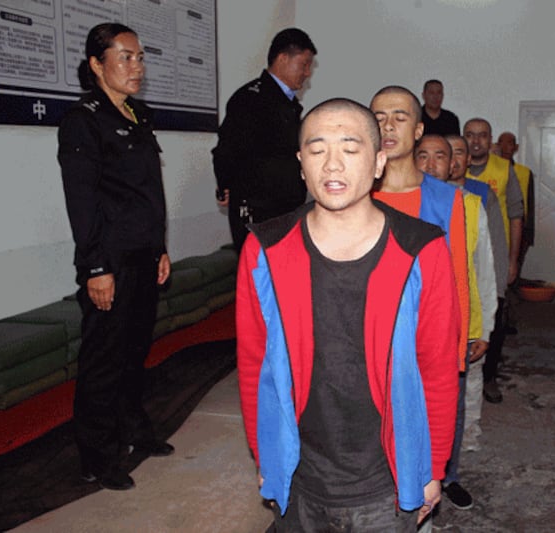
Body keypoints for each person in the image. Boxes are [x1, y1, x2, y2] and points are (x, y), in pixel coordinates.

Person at [236, 98, 460, 532]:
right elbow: (252, 363)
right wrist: (266, 456)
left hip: (386, 481)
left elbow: (436, 367)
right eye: (317, 151)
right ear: (301, 164)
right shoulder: (265, 248)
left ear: (378, 162)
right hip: (301, 479)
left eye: (350, 149)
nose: (332, 165)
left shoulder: (421, 248)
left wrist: (432, 467)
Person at [58, 22, 173, 491]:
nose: (136, 66)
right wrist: (96, 267)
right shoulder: (83, 120)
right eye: (125, 57)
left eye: (140, 57)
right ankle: (97, 456)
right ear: (95, 64)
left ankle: (133, 431)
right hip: (111, 260)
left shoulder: (137, 114)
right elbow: (81, 201)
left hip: (144, 255)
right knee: (104, 359)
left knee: (134, 351)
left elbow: (146, 190)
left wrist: (160, 246)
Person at [415, 134, 497, 511]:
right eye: (424, 156)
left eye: (440, 157)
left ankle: (449, 475)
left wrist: (484, 326)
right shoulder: (392, 203)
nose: (431, 164)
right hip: (412, 326)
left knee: (453, 406)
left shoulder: (469, 206)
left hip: (458, 325)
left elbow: (483, 271)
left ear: (453, 165)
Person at [370, 86, 470, 363]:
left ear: (417, 130)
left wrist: (456, 352)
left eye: (400, 118)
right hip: (365, 340)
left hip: (425, 339)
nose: (388, 126)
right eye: (379, 118)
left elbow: (457, 276)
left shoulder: (445, 198)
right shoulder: (355, 194)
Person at [212, 28, 317, 250]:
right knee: (259, 275)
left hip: (285, 208)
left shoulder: (289, 104)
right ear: (283, 58)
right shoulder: (250, 99)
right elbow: (226, 150)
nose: (307, 72)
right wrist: (225, 185)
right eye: (304, 64)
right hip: (258, 210)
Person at [446, 133, 508, 454]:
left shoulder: (478, 198)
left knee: (471, 380)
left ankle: (468, 434)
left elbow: (489, 257)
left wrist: (492, 304)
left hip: (470, 309)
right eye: (446, 154)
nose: (451, 161)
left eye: (459, 153)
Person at [463, 118, 525, 403]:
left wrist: (512, 260)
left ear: (492, 142)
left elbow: (515, 215)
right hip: (465, 250)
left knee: (494, 317)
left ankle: (489, 377)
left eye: (482, 136)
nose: (476, 141)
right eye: (471, 135)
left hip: (495, 252)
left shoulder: (503, 169)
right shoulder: (452, 167)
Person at [496, 131, 535, 264]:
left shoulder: (524, 172)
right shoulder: (491, 169)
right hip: (497, 226)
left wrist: (529, 234)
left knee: (514, 270)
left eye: (510, 143)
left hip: (519, 229)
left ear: (516, 147)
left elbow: (530, 205)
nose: (506, 147)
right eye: (502, 143)